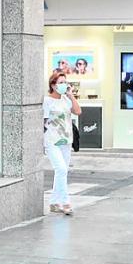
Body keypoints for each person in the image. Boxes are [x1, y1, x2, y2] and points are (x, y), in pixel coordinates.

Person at [44, 69, 81, 216]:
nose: (64, 85)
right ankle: (65, 202)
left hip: (66, 140)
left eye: (65, 82)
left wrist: (71, 95)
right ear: (53, 85)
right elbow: (43, 121)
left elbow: (78, 111)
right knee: (61, 170)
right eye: (60, 83)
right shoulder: (47, 101)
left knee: (62, 172)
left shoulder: (66, 100)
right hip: (52, 141)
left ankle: (54, 202)